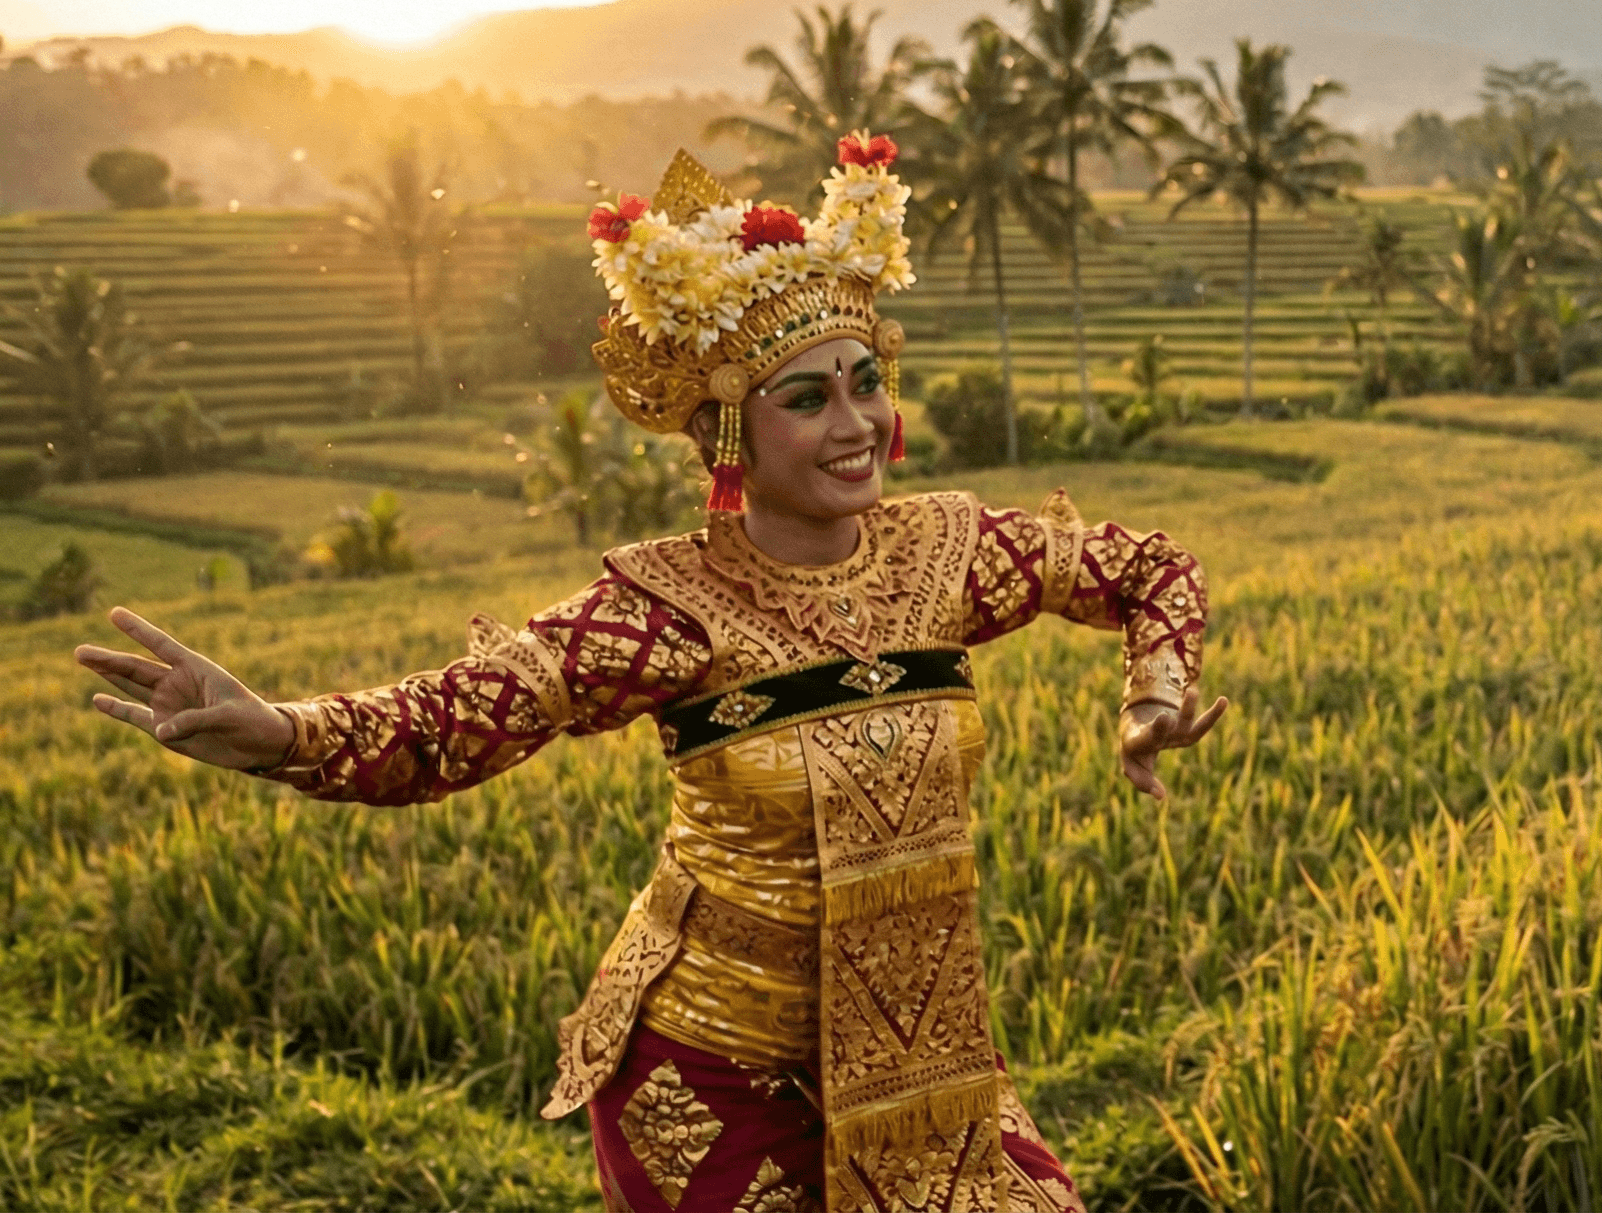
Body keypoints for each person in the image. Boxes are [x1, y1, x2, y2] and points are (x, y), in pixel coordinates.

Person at [74, 136, 1226, 1213]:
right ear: (728, 429)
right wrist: (282, 730)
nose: (855, 424)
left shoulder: (949, 555)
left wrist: (1151, 702)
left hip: (917, 1062)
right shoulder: (666, 612)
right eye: (806, 397)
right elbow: (459, 717)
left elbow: (1150, 571)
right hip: (706, 1077)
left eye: (866, 382)